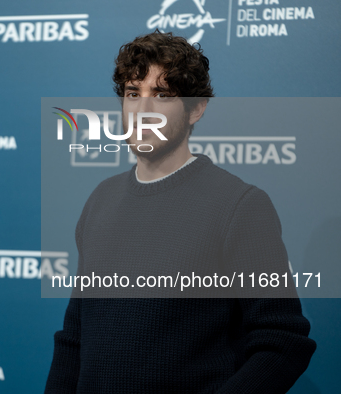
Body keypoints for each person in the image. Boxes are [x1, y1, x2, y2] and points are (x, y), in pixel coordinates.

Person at [44, 31, 316, 393]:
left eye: (162, 95)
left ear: (196, 108)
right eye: (132, 93)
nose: (142, 111)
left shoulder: (239, 206)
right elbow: (74, 339)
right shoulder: (100, 201)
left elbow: (283, 340)